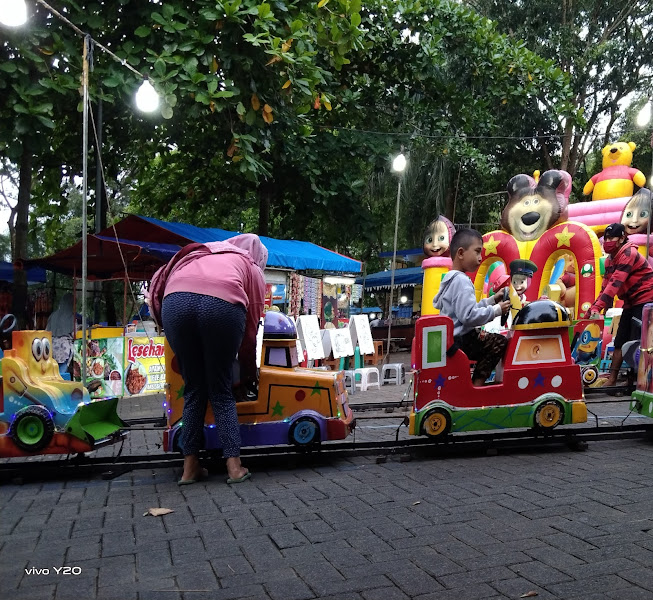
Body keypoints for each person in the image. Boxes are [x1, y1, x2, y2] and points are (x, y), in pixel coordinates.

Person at [149, 234, 267, 485]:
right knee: (220, 389)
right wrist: (247, 372)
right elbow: (251, 329)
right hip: (221, 304)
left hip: (175, 302)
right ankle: (234, 467)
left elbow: (159, 289)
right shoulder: (250, 265)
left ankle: (189, 468)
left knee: (194, 388)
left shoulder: (200, 252)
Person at [433, 229, 511, 386]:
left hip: (453, 338)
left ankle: (477, 383)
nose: (480, 258)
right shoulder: (461, 281)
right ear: (461, 253)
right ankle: (477, 386)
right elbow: (468, 316)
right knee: (499, 342)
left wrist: (492, 300)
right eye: (477, 252)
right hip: (460, 340)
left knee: (489, 339)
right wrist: (497, 310)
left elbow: (467, 309)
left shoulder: (451, 280)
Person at [589, 223, 653, 387]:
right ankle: (612, 379)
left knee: (637, 341)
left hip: (646, 300)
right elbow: (605, 286)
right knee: (620, 340)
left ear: (622, 238)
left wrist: (598, 307)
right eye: (606, 238)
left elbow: (615, 284)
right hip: (630, 302)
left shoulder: (628, 253)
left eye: (612, 238)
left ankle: (638, 380)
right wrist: (593, 308)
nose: (607, 241)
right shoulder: (610, 260)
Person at [46, 293, 76, 373]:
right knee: (62, 374)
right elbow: (74, 334)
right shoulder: (71, 317)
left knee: (53, 372)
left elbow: (46, 331)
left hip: (51, 347)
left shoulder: (53, 315)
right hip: (64, 349)